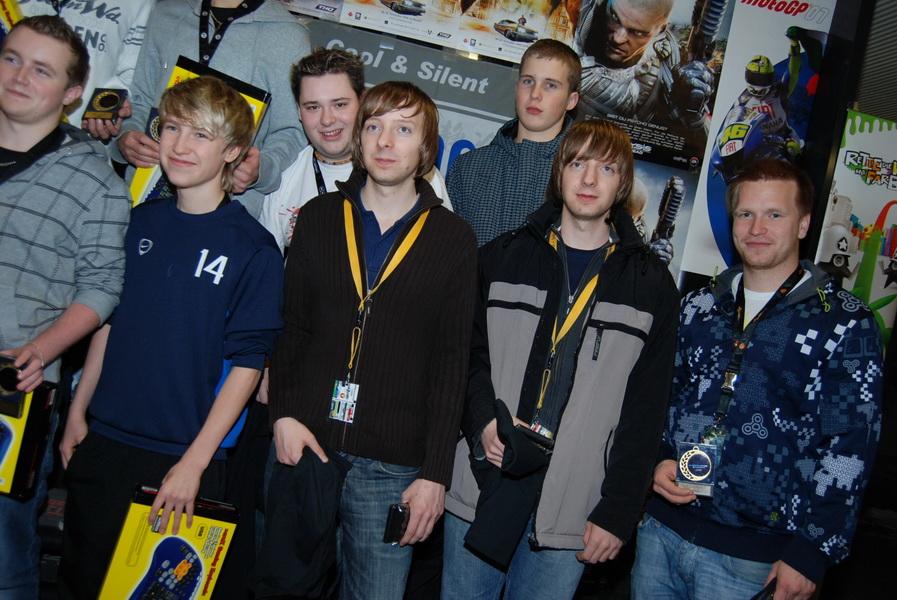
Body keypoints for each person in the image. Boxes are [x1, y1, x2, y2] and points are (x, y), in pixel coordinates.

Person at [57, 75, 283, 598]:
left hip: (182, 460)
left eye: (201, 134)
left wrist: (194, 463)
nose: (180, 145)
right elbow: (109, 321)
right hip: (104, 440)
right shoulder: (138, 221)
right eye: (174, 127)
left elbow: (248, 365)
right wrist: (78, 411)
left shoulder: (253, 248)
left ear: (233, 151)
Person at [442, 119, 679, 599]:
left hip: (575, 504)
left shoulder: (651, 285)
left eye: (606, 168)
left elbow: (646, 412)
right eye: (578, 164)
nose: (589, 179)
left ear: (622, 182)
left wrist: (618, 512)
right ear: (559, 172)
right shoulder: (502, 257)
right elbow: (464, 356)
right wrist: (482, 422)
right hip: (484, 481)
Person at [631, 159, 883, 600]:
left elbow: (850, 447)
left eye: (774, 214)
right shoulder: (698, 307)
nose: (757, 228)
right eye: (745, 213)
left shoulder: (844, 322)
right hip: (663, 532)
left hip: (756, 561)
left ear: (803, 223)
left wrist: (812, 550)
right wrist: (660, 458)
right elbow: (662, 398)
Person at [268, 81, 477, 599]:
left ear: (426, 147)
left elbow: (452, 363)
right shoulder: (318, 218)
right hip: (307, 445)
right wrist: (283, 416)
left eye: (404, 129)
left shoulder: (453, 238)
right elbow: (292, 328)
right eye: (375, 126)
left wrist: (436, 474)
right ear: (359, 138)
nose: (386, 141)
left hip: (393, 468)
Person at [0, 15, 129, 598]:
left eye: (41, 70)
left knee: (4, 558)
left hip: (14, 393)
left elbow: (102, 287)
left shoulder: (96, 182)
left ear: (73, 92)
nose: (20, 77)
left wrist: (39, 351)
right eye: (11, 59)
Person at [113, 0, 310, 217]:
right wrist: (127, 134)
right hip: (141, 197)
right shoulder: (166, 11)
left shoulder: (287, 34)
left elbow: (292, 130)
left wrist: (261, 168)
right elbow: (141, 98)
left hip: (227, 212)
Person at [260, 47, 451, 255]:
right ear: (298, 111)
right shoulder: (284, 177)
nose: (327, 120)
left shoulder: (417, 175)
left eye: (340, 104)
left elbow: (443, 255)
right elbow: (268, 267)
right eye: (313, 107)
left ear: (363, 101)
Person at [447, 38, 580, 246]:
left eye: (550, 85)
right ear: (517, 87)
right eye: (528, 81)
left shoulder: (583, 177)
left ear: (571, 100)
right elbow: (445, 251)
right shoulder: (468, 168)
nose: (535, 94)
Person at [19, 0, 156, 140]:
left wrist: (108, 104)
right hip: (14, 117)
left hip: (78, 133)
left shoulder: (139, 3)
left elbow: (131, 71)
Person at [573, 0, 713, 133]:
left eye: (638, 32)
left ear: (660, 30)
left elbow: (697, 138)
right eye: (615, 17)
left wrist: (693, 114)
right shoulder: (578, 17)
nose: (618, 38)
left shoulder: (666, 63)